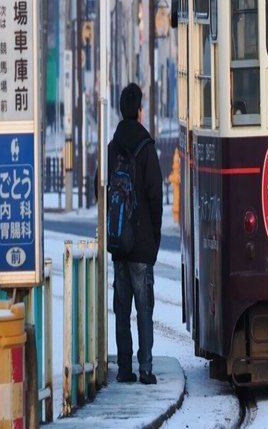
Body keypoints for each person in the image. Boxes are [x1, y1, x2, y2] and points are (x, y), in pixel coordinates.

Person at [107, 82, 163, 385]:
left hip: (119, 242)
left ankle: (125, 369)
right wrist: (153, 236)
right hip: (141, 244)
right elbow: (155, 197)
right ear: (139, 111)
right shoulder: (146, 147)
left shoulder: (113, 147)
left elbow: (100, 189)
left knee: (121, 310)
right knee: (144, 309)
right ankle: (145, 368)